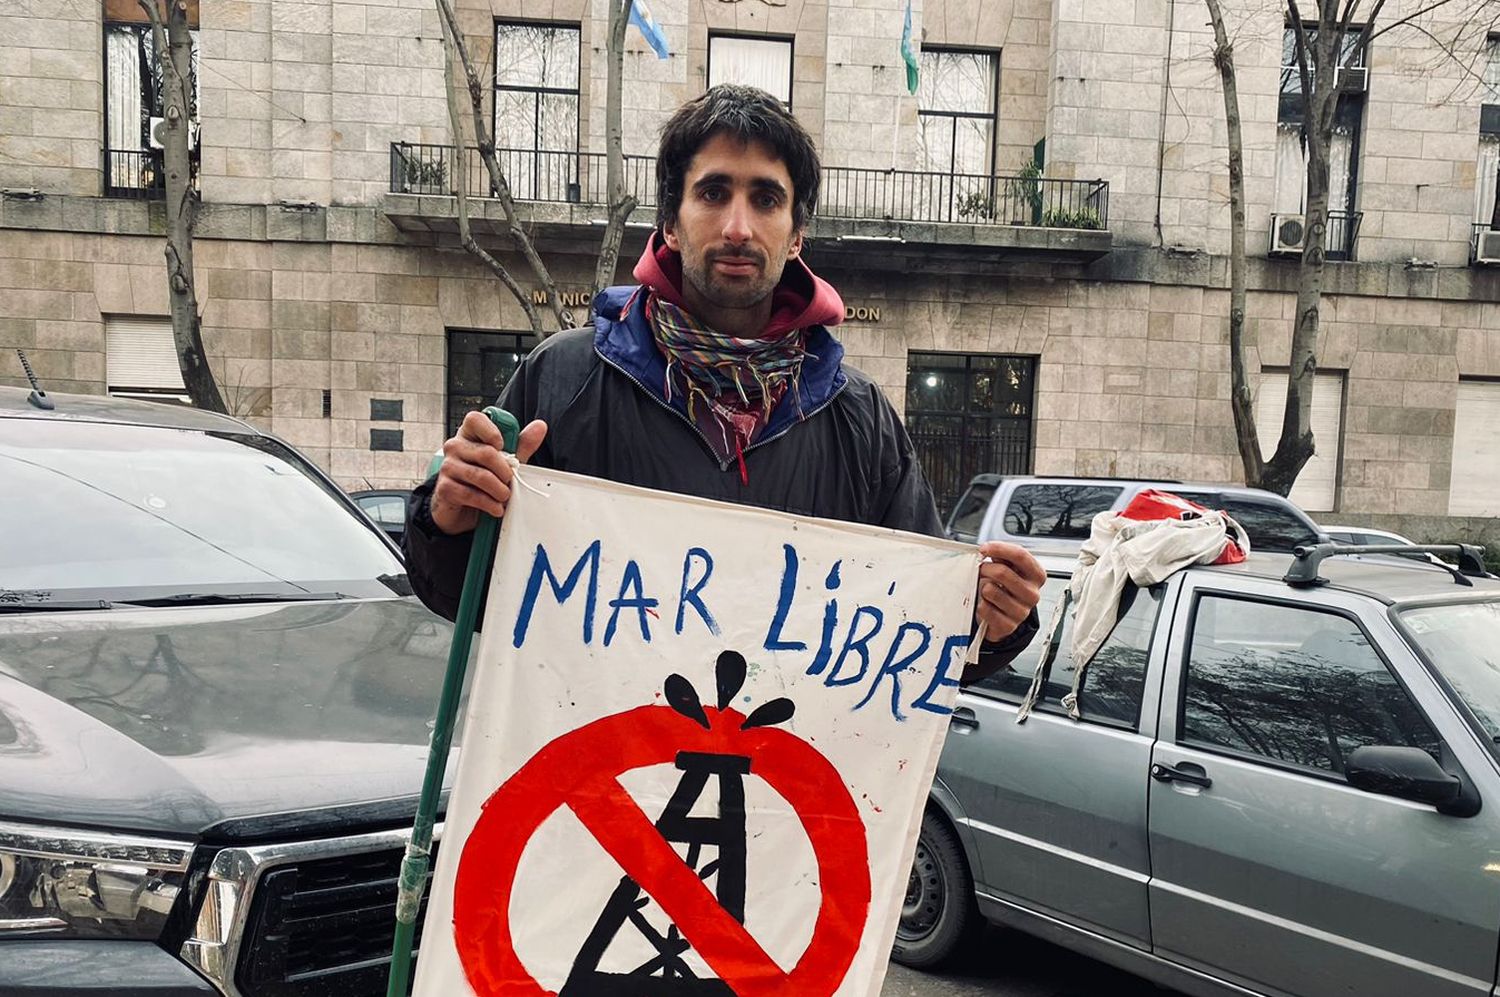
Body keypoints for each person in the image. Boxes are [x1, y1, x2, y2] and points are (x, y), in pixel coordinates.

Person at [404, 84, 1042, 680]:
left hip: (780, 787)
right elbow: (467, 599)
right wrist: (451, 519)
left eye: (766, 199)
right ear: (672, 222)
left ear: (797, 234)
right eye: (713, 193)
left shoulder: (860, 418)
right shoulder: (563, 378)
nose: (738, 226)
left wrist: (992, 619)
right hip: (597, 786)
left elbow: (912, 646)